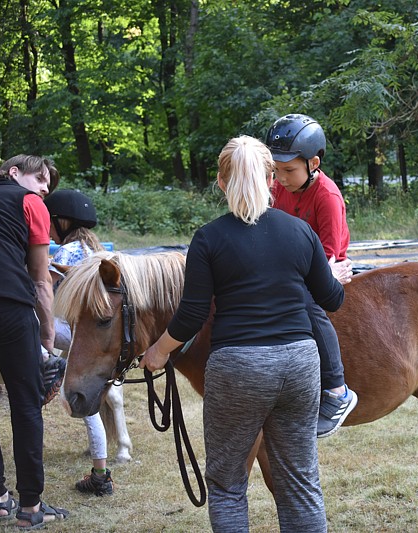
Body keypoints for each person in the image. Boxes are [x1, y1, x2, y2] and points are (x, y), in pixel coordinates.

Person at [141, 136, 343, 532]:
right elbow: (331, 300)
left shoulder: (208, 238)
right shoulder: (300, 233)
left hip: (239, 367)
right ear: (271, 179)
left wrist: (159, 351)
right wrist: (334, 273)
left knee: (228, 484)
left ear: (221, 182)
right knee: (300, 483)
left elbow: (192, 315)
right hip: (300, 363)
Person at [0, 155, 69, 529]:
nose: (46, 188)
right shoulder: (30, 203)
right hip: (9, 307)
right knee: (25, 403)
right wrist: (47, 334)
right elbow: (40, 279)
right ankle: (31, 507)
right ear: (14, 172)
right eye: (41, 178)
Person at [265, 113, 357, 438]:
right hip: (290, 266)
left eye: (289, 170)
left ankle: (337, 389)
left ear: (314, 162)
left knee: (305, 303)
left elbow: (330, 254)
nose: (282, 178)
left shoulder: (327, 197)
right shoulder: (279, 188)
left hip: (324, 269)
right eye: (276, 170)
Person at [44, 189, 114, 496]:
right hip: (95, 333)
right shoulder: (97, 251)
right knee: (92, 411)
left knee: (32, 328)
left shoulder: (64, 254)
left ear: (63, 222)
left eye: (50, 221)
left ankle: (49, 366)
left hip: (71, 334)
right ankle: (100, 472)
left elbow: (44, 292)